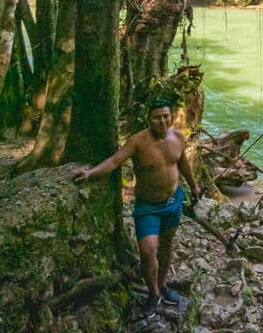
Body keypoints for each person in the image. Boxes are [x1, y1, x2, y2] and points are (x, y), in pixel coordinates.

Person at [72, 98, 202, 318]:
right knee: (148, 250)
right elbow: (114, 162)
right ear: (148, 119)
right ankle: (153, 294)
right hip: (148, 207)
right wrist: (90, 173)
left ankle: (162, 286)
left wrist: (195, 187)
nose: (162, 121)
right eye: (156, 117)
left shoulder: (178, 137)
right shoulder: (138, 142)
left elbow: (183, 165)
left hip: (173, 202)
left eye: (165, 116)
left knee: (167, 246)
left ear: (171, 116)